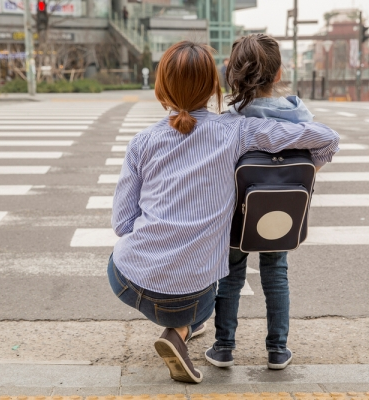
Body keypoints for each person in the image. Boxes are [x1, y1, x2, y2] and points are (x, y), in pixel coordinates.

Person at [108, 41, 339, 384]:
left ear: (161, 87)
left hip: (127, 281)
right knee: (221, 285)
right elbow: (326, 139)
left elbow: (123, 224)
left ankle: (183, 327)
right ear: (215, 86)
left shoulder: (141, 142)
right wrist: (306, 173)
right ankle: (184, 328)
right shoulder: (235, 132)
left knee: (206, 275)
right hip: (192, 295)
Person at [205, 34, 315, 371]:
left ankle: (223, 347)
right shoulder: (300, 116)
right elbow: (316, 154)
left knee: (231, 275)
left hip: (237, 212)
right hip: (279, 210)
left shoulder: (228, 122)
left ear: (233, 75)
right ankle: (278, 350)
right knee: (276, 272)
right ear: (279, 73)